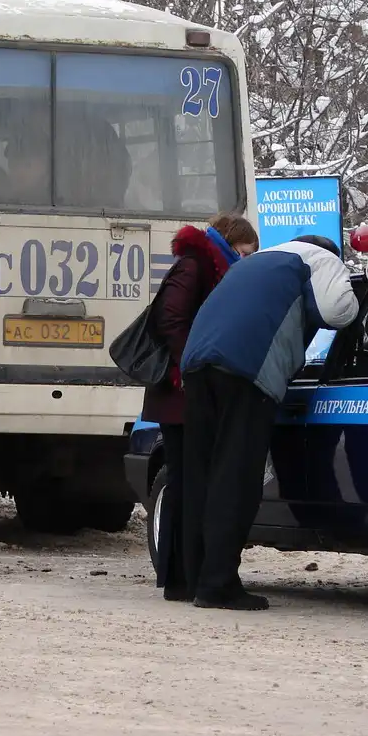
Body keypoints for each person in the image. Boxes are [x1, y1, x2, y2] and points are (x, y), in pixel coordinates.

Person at [179, 234, 359, 610]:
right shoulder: (318, 260)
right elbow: (338, 313)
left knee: (202, 473)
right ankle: (218, 586)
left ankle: (191, 580)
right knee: (236, 478)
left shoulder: (257, 261)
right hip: (246, 369)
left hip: (196, 365)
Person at [142, 213, 259, 602]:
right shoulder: (196, 265)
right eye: (244, 252)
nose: (245, 260)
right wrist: (189, 368)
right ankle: (182, 576)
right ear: (230, 241)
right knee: (188, 485)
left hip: (186, 393)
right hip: (182, 393)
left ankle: (182, 576)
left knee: (188, 485)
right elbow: (171, 318)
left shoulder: (210, 265)